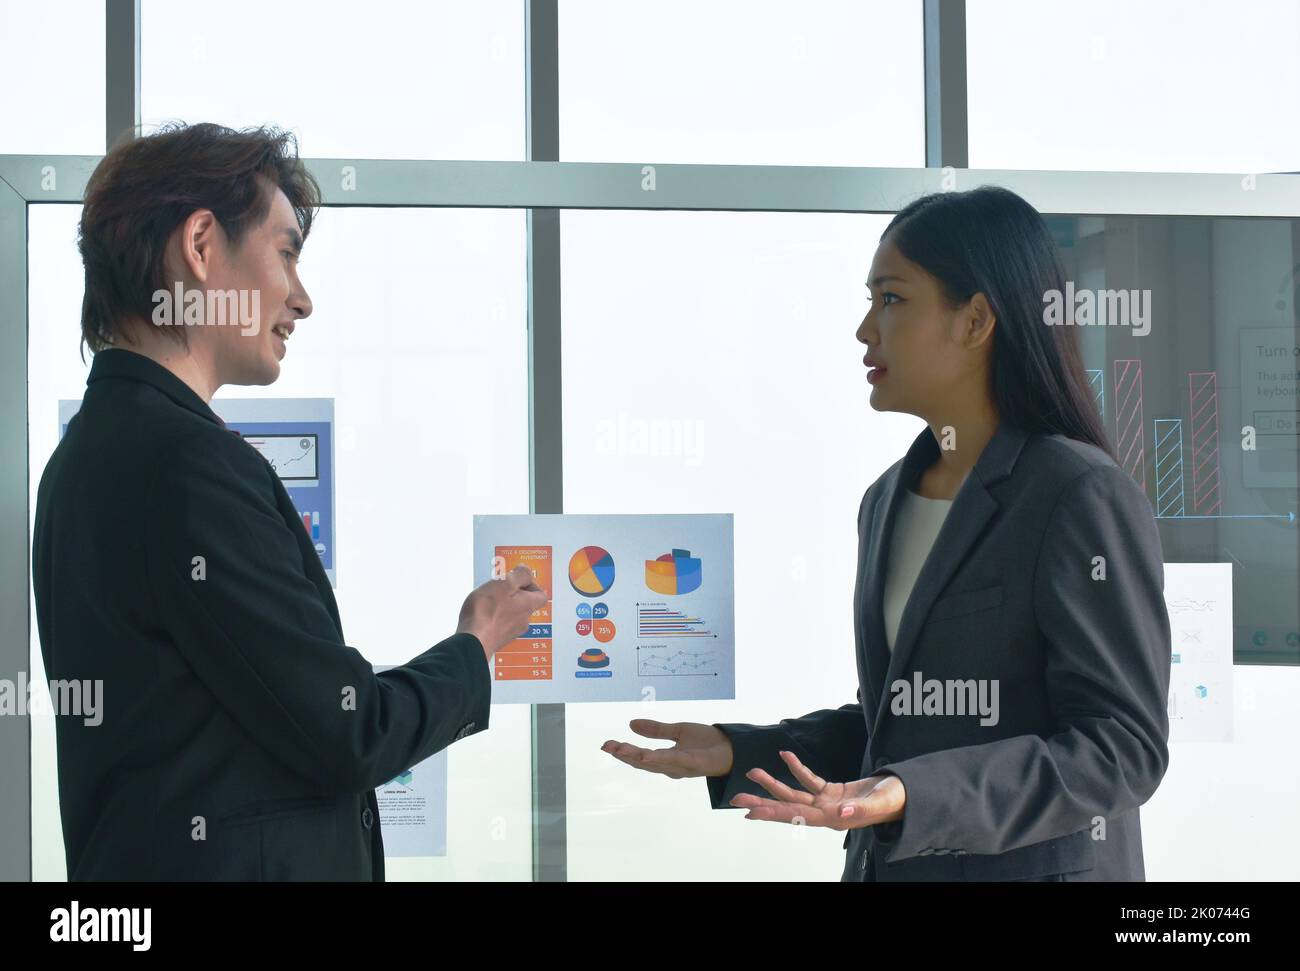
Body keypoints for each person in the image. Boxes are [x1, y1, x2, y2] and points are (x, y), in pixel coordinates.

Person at [602, 186, 1172, 882]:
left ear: (976, 319)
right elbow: (899, 725)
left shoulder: (1076, 494)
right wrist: (736, 750)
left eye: (892, 299)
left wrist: (912, 793)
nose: (865, 329)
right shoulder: (886, 501)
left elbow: (1120, 747)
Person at [32, 122, 547, 880]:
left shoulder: (85, 457)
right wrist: (476, 644)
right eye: (285, 252)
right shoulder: (187, 464)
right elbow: (347, 731)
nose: (301, 300)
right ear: (201, 246)